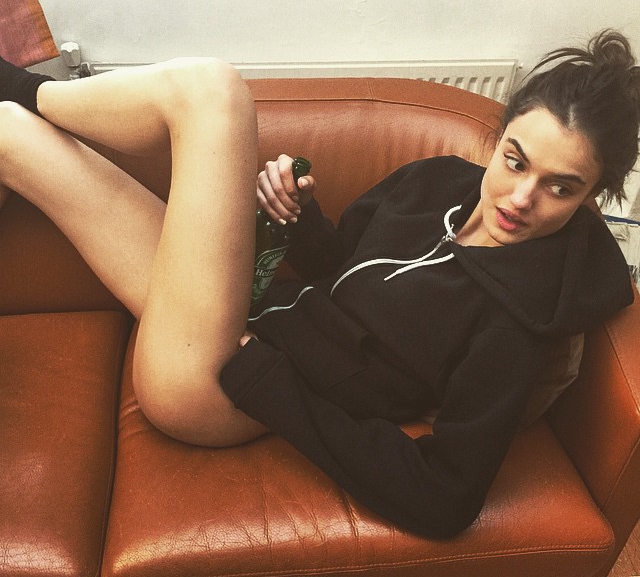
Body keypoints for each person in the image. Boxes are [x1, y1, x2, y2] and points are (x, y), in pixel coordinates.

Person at [0, 29, 637, 538]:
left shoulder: (522, 317)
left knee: (211, 90)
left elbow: (444, 498)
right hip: (242, 316)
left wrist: (267, 384)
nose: (521, 198)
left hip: (220, 384)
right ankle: (22, 95)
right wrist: (298, 217)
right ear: (499, 138)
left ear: (592, 197)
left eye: (561, 188)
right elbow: (340, 266)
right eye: (516, 161)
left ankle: (28, 85)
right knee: (12, 135)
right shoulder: (437, 180)